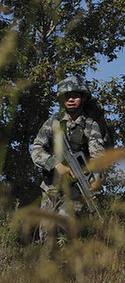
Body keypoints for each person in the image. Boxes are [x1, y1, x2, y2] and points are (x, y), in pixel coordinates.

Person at [31, 75, 105, 245]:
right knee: (46, 235)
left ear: (84, 98)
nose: (71, 100)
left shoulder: (90, 125)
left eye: (75, 96)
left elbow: (98, 155)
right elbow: (36, 149)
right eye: (67, 96)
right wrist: (55, 164)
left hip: (76, 189)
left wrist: (96, 179)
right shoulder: (53, 123)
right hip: (52, 187)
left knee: (66, 230)